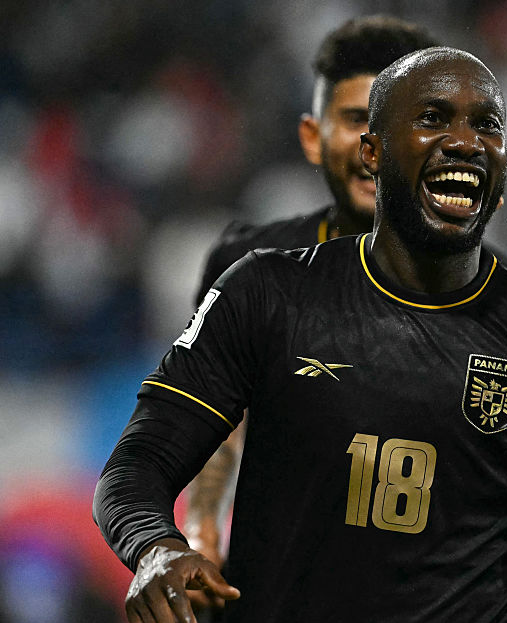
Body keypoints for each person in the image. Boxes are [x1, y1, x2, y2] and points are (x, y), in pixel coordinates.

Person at [93, 47, 507, 623]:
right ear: (372, 152)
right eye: (434, 118)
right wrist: (156, 548)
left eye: (487, 124)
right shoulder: (269, 294)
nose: (465, 142)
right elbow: (135, 469)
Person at [183, 15, 439, 586]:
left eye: (401, 123)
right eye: (356, 121)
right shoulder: (248, 268)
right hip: (279, 593)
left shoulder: (501, 296)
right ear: (312, 136)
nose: (377, 148)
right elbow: (216, 420)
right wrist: (201, 525)